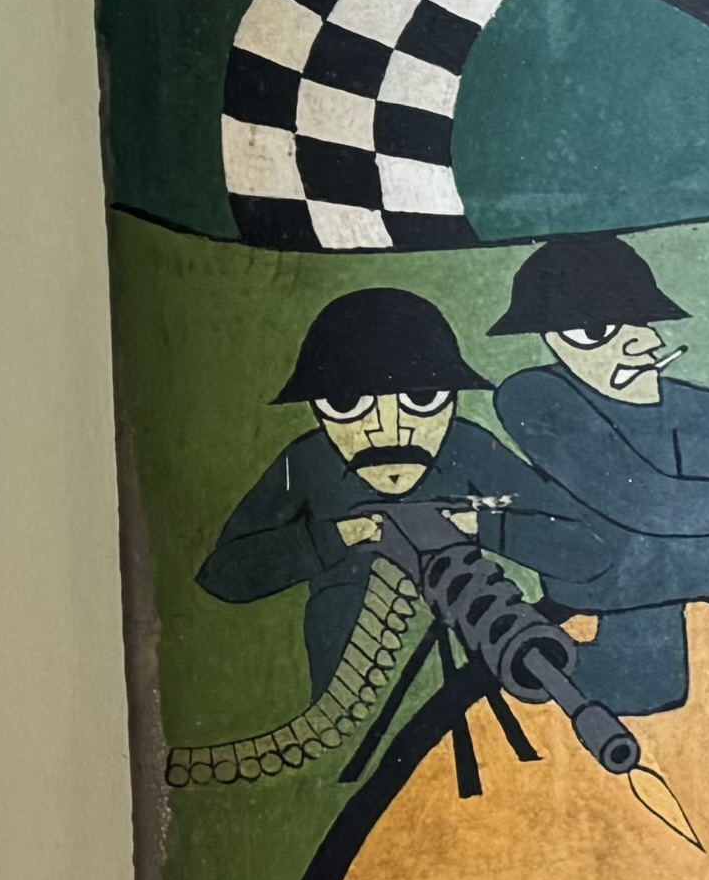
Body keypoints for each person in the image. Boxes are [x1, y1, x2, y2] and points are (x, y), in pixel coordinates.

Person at [484, 234, 709, 718]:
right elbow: (644, 501)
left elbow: (700, 510)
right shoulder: (533, 396)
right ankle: (535, 658)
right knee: (645, 687)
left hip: (663, 558)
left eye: (639, 322)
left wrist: (648, 404)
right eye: (599, 328)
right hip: (595, 561)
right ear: (553, 336)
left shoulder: (691, 406)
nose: (639, 340)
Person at [198, 289, 541, 700]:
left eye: (421, 398)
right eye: (348, 403)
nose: (387, 429)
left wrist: (478, 524)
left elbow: (582, 544)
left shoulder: (468, 449)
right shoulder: (307, 462)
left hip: (478, 684)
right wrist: (342, 536)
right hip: (350, 703)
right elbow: (226, 574)